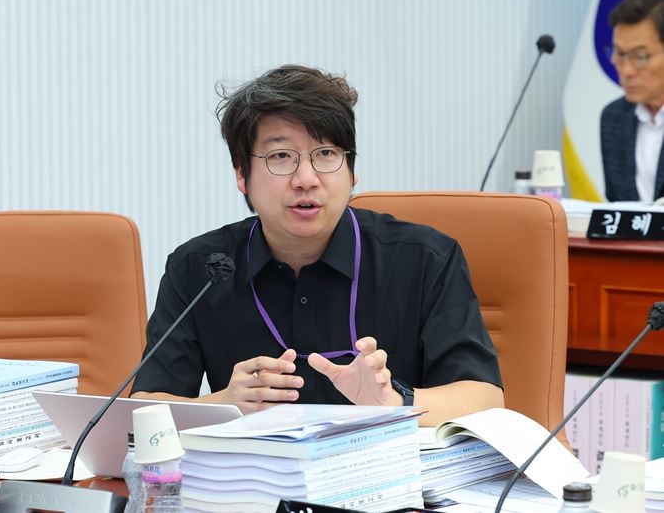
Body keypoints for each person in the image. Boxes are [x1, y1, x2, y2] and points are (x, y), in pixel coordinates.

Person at [131, 64, 504, 426]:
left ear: (352, 172)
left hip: (384, 467)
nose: (306, 179)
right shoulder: (200, 268)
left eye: (325, 154)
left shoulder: (425, 260)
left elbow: (485, 399)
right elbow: (144, 408)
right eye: (281, 156)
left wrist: (393, 402)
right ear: (242, 174)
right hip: (256, 469)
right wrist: (223, 404)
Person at [601, 0, 664, 203]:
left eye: (640, 56)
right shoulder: (613, 118)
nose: (626, 70)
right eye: (620, 54)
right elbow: (616, 208)